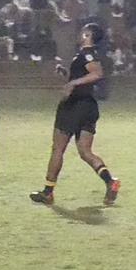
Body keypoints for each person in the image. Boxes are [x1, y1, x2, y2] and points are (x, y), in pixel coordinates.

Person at [29, 23, 120, 206]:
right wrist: (68, 76)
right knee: (85, 151)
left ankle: (48, 192)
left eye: (82, 31)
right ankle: (110, 182)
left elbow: (96, 74)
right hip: (88, 107)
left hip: (74, 107)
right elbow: (85, 79)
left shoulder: (87, 54)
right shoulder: (85, 55)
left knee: (58, 149)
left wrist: (72, 84)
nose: (79, 33)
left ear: (87, 34)